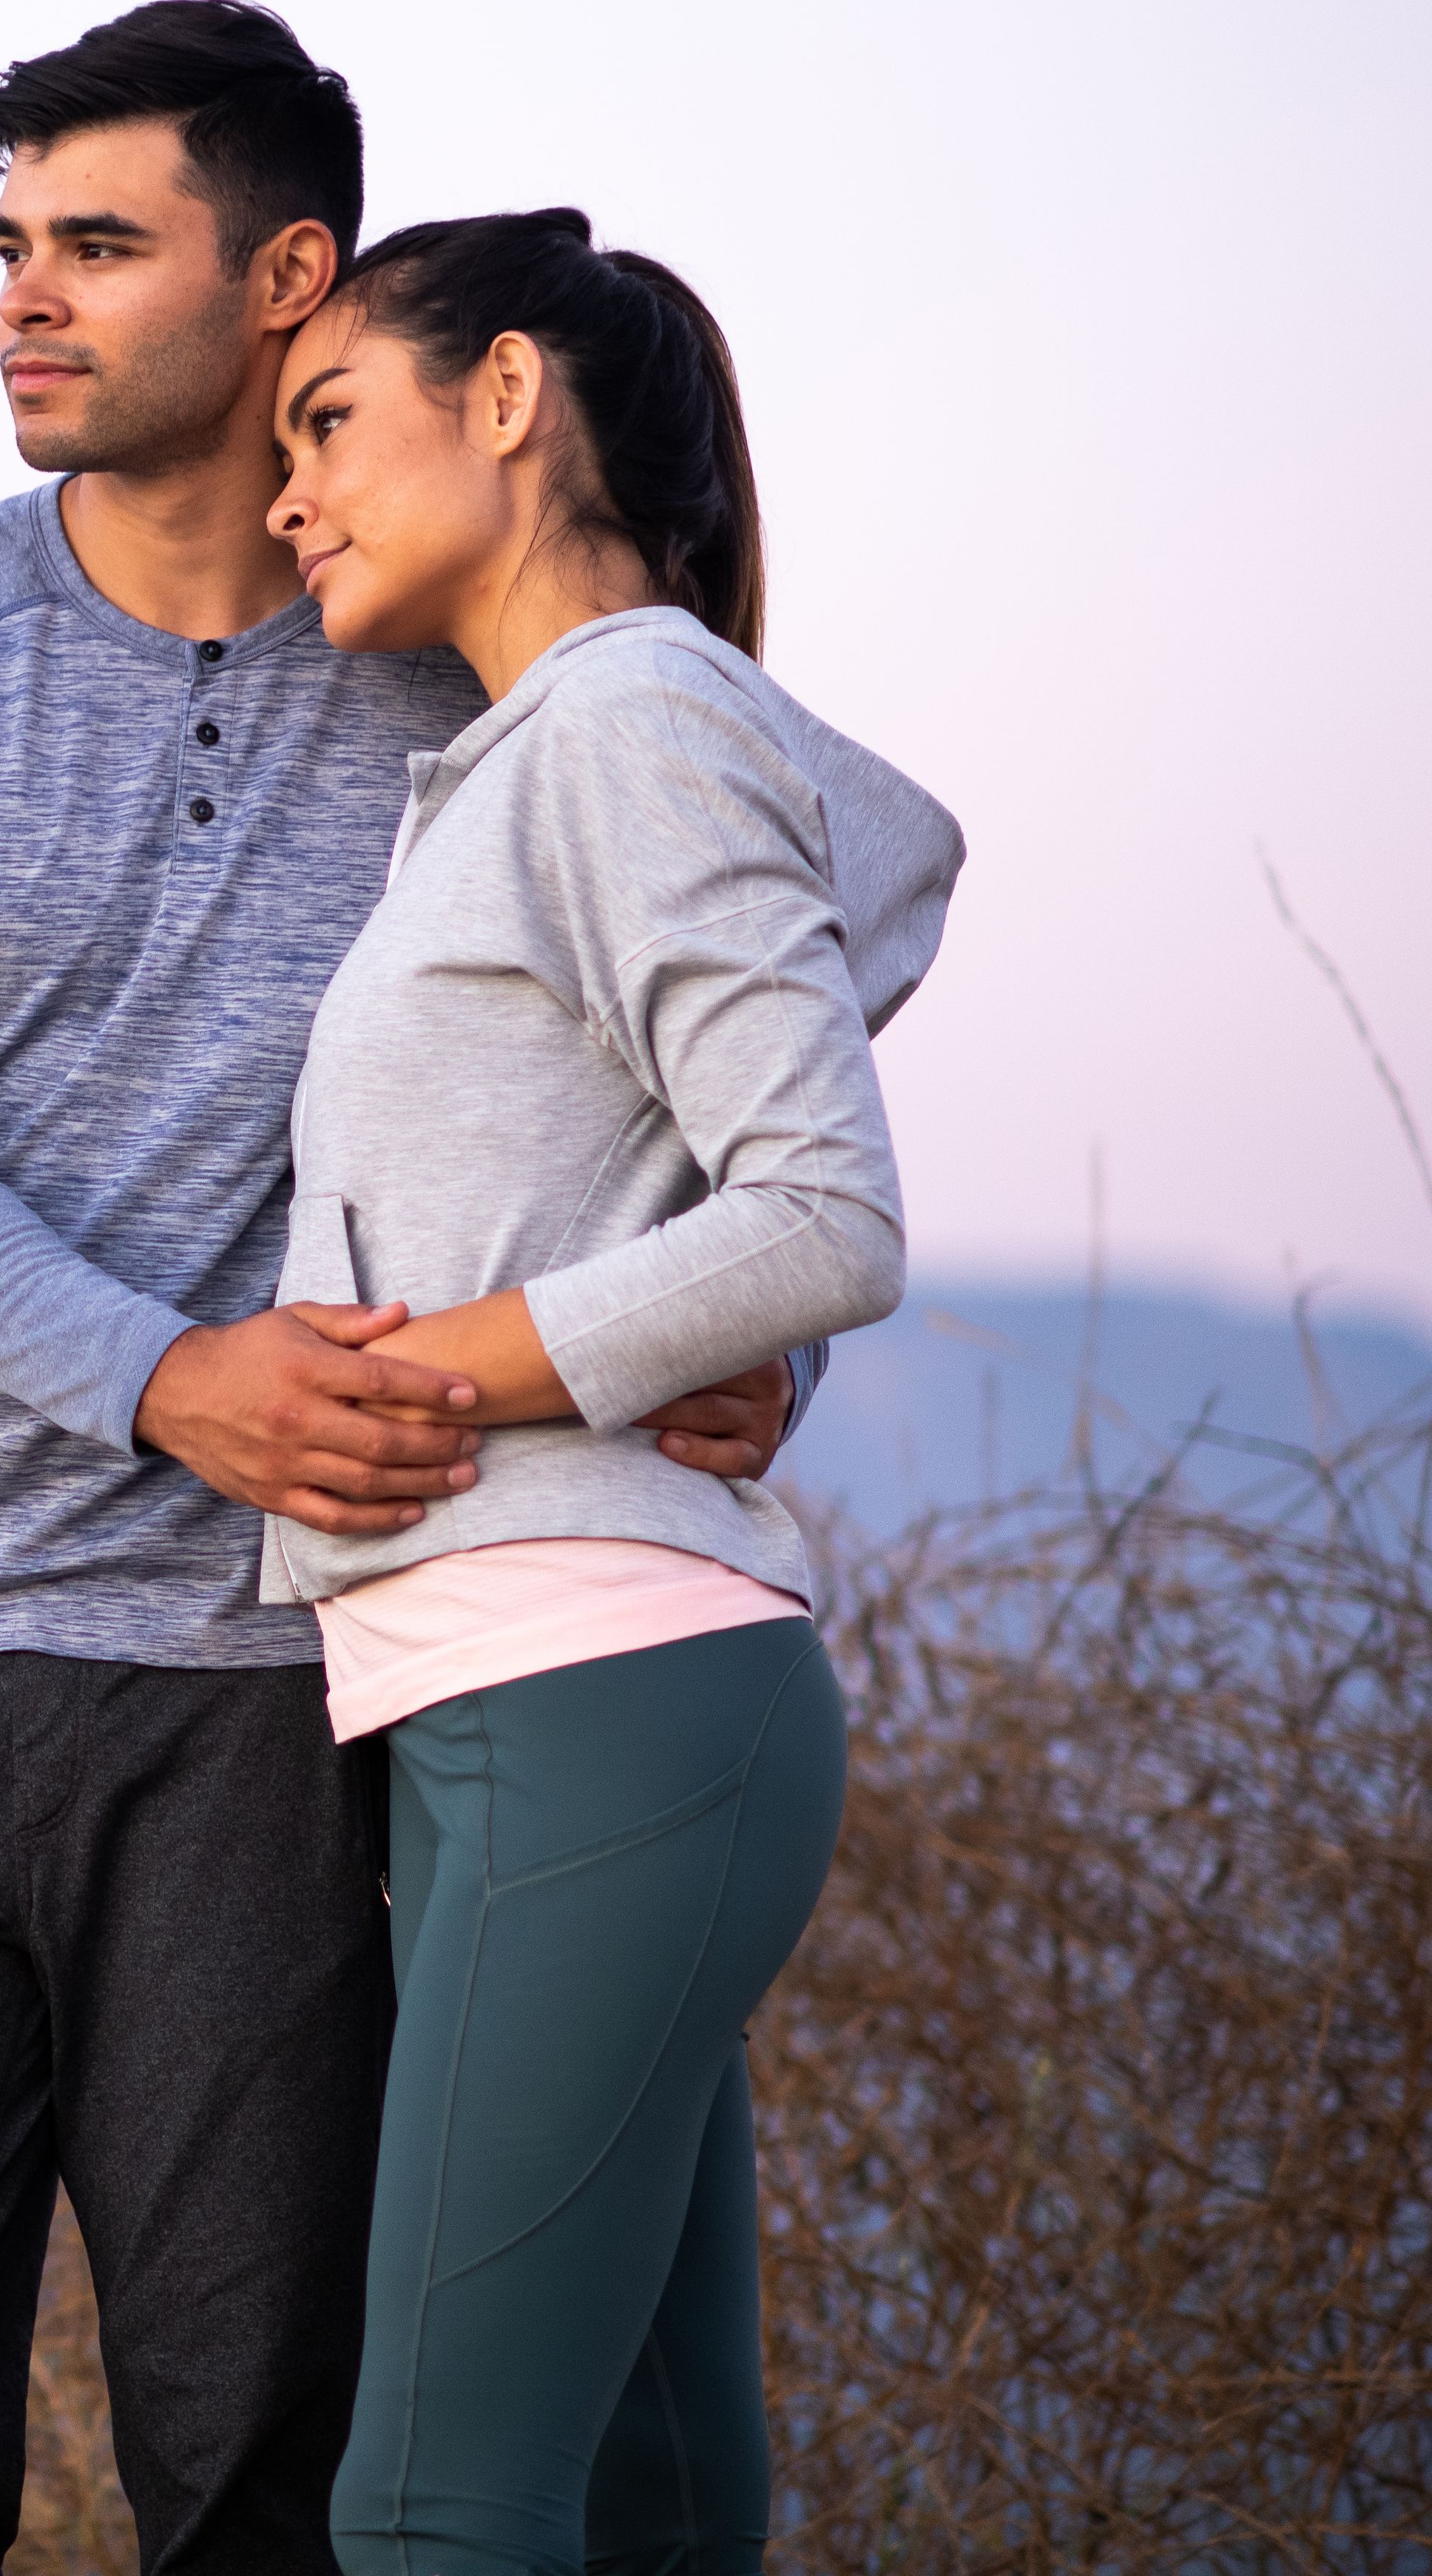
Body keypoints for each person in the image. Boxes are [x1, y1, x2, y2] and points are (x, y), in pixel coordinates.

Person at [0, 1, 810, 2575]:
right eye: (8, 247)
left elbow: (768, 945)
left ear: (289, 276)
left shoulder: (473, 672)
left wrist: (735, 1301)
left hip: (290, 1708)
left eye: (100, 245)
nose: (25, 302)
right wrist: (166, 1379)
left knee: (268, 2477)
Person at [258, 212, 956, 2572]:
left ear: (513, 393)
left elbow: (824, 1214)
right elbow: (875, 878)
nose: (291, 494)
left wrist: (431, 1365)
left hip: (593, 1684)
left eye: (331, 421)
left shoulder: (632, 716)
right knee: (657, 2496)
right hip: (530, 1696)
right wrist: (676, 1309)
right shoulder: (567, 745)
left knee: (438, 2509)